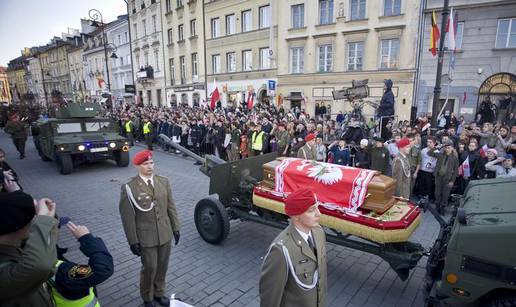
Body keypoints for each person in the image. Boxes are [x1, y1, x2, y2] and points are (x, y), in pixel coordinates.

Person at [119, 150, 181, 307]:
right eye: (145, 164)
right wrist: (132, 241)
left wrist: (176, 227)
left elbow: (171, 207)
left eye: (151, 163)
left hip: (164, 232)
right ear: (138, 166)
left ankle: (159, 293)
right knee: (150, 267)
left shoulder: (163, 181)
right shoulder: (129, 187)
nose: (150, 166)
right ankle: (147, 297)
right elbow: (128, 218)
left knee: (162, 265)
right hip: (146, 236)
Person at [259, 188, 327, 307]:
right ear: (296, 216)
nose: (319, 214)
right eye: (311, 210)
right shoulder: (281, 250)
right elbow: (270, 299)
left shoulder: (318, 232)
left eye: (317, 207)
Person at [0, 191, 58, 306]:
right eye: (34, 218)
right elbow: (40, 266)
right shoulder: (9, 274)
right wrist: (43, 221)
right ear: (20, 228)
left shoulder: (13, 247)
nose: (35, 221)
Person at [49, 221, 114, 306]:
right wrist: (87, 238)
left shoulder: (32, 262)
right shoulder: (58, 271)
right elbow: (101, 268)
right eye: (56, 228)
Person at [428, 140, 459, 214]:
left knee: (445, 194)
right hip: (439, 177)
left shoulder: (455, 158)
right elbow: (429, 153)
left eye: (448, 147)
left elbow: (455, 171)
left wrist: (452, 181)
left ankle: (443, 207)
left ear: (452, 148)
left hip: (447, 178)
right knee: (437, 192)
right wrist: (436, 147)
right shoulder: (440, 154)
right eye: (445, 147)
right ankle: (437, 205)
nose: (447, 149)